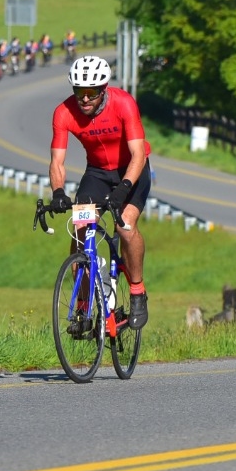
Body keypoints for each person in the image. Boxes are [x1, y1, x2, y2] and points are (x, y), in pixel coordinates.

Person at [48, 56, 151, 330]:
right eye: (79, 91)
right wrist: (58, 191)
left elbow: (138, 154)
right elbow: (57, 161)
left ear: (103, 89)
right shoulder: (63, 112)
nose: (84, 99)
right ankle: (83, 308)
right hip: (97, 173)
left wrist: (124, 189)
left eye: (91, 92)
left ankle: (138, 291)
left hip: (131, 170)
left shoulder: (123, 102)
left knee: (125, 226)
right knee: (80, 228)